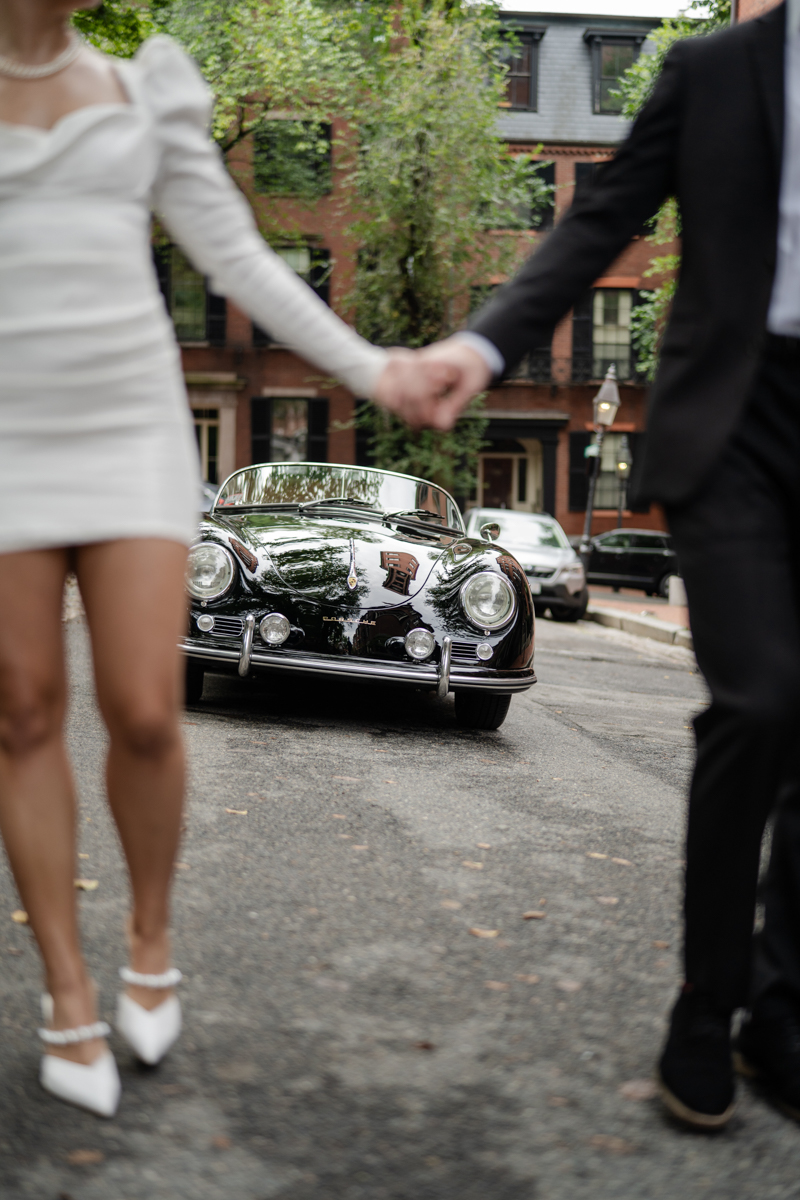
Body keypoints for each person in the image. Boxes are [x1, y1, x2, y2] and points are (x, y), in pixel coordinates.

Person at [0, 0, 454, 1119]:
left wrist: (371, 367)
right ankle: (66, 990)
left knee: (146, 707)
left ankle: (149, 933)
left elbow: (236, 255)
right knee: (18, 709)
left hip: (129, 423)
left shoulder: (143, 83)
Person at [415, 0, 800, 1130]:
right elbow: (597, 225)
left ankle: (779, 1011)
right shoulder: (716, 69)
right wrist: (482, 346)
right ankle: (705, 997)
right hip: (733, 424)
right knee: (761, 698)